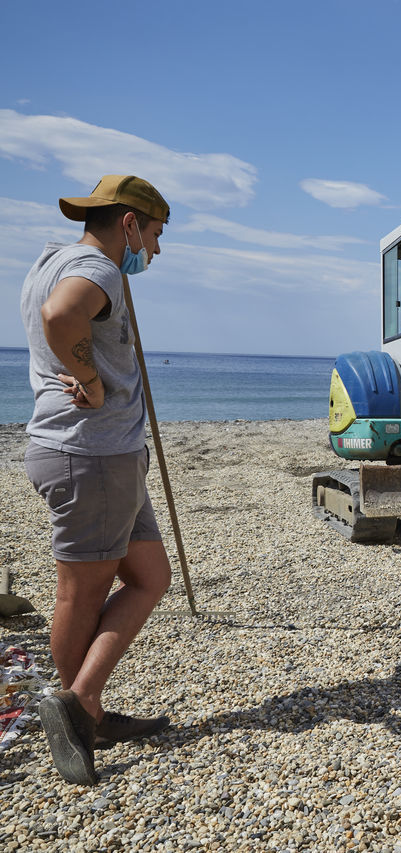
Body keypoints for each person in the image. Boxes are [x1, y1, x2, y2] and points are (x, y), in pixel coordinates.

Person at [21, 175, 174, 785]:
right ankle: (78, 710)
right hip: (91, 457)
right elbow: (63, 317)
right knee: (79, 594)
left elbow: (60, 317)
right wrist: (87, 381)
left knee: (150, 577)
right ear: (130, 224)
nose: (155, 252)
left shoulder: (48, 262)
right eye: (156, 235)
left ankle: (84, 705)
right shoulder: (101, 269)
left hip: (107, 455)